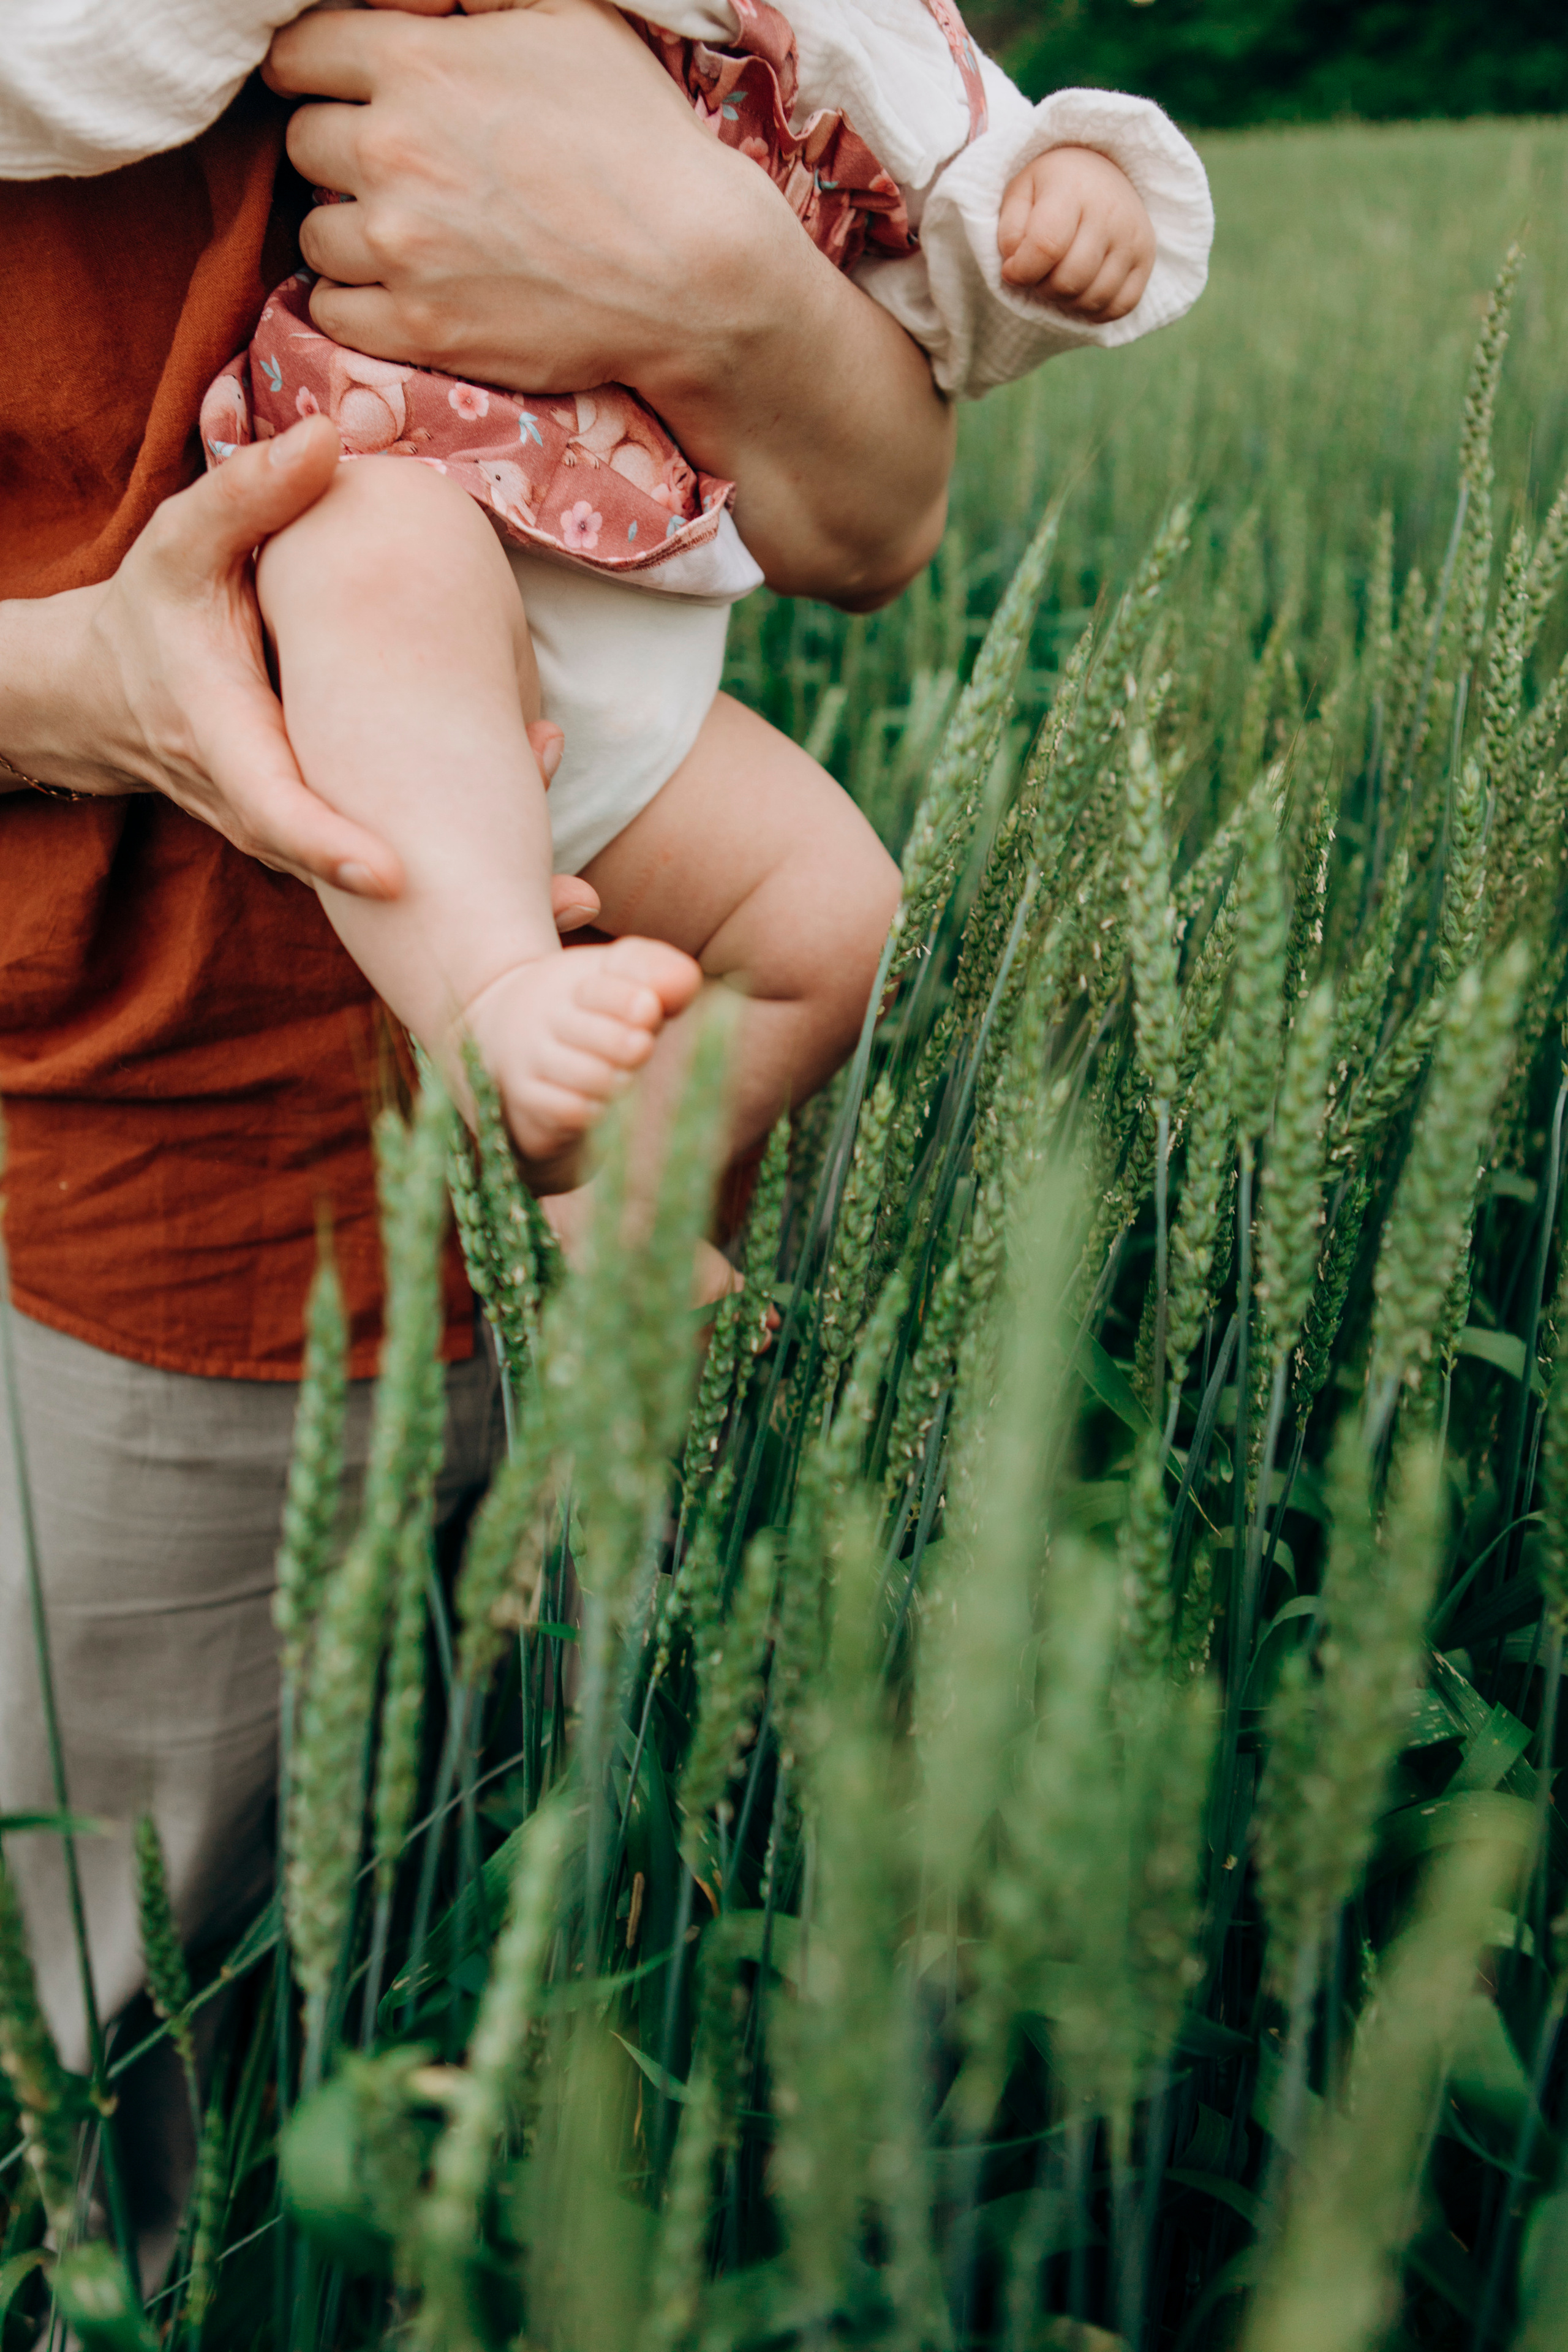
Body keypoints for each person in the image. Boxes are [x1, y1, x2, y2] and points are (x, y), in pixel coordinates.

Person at [0, 0, 1207, 2284]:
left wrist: (759, 266)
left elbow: (895, 457)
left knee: (521, 1917)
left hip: (602, 824)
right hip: (170, 1152)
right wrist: (88, 686)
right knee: (133, 2037)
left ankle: (627, 1211)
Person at [202, 0, 1212, 1265]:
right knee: (375, 555)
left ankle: (612, 1196)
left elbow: (950, 180)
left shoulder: (810, 21)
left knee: (844, 926)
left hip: (627, 667)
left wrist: (1060, 182)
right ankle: (494, 1002)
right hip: (393, 525)